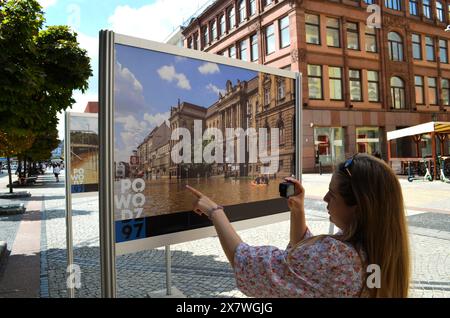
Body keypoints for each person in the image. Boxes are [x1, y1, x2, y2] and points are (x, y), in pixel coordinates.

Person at [186, 153, 410, 297]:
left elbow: (247, 262)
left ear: (359, 207)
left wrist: (215, 212)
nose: (324, 199)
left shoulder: (336, 255)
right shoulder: (379, 251)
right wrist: (298, 211)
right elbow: (307, 268)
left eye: (332, 195)